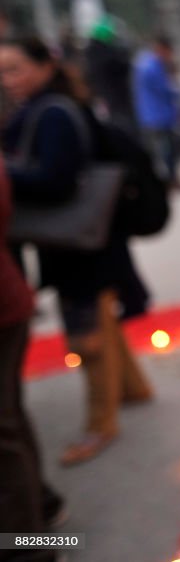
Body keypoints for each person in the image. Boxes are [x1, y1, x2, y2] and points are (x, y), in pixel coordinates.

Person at [1, 37, 154, 467]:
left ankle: (99, 425)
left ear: (45, 67)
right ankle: (134, 388)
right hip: (89, 241)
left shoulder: (53, 114)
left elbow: (57, 182)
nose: (7, 80)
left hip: (81, 246)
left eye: (15, 69)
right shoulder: (45, 109)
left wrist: (6, 171)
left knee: (86, 337)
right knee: (101, 317)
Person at [0, 158, 66, 561]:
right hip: (9, 301)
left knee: (4, 428)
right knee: (9, 419)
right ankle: (39, 507)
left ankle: (28, 546)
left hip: (3, 308)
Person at [134, 34, 180, 189]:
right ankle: (167, 180)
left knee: (166, 150)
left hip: (158, 115)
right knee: (165, 151)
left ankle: (167, 179)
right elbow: (165, 90)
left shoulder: (147, 63)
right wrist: (177, 90)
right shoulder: (152, 66)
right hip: (158, 116)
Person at [83, 15, 138, 135]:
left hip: (109, 103)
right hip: (119, 105)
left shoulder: (91, 56)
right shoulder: (109, 56)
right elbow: (125, 67)